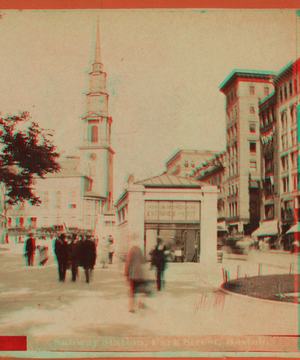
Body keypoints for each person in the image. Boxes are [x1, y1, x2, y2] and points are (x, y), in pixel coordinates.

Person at [125, 237, 147, 313]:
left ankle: (132, 308)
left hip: (134, 273)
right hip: (140, 272)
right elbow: (143, 261)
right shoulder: (140, 250)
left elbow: (129, 262)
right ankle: (141, 303)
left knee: (132, 291)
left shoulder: (132, 250)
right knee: (141, 289)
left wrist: (127, 273)